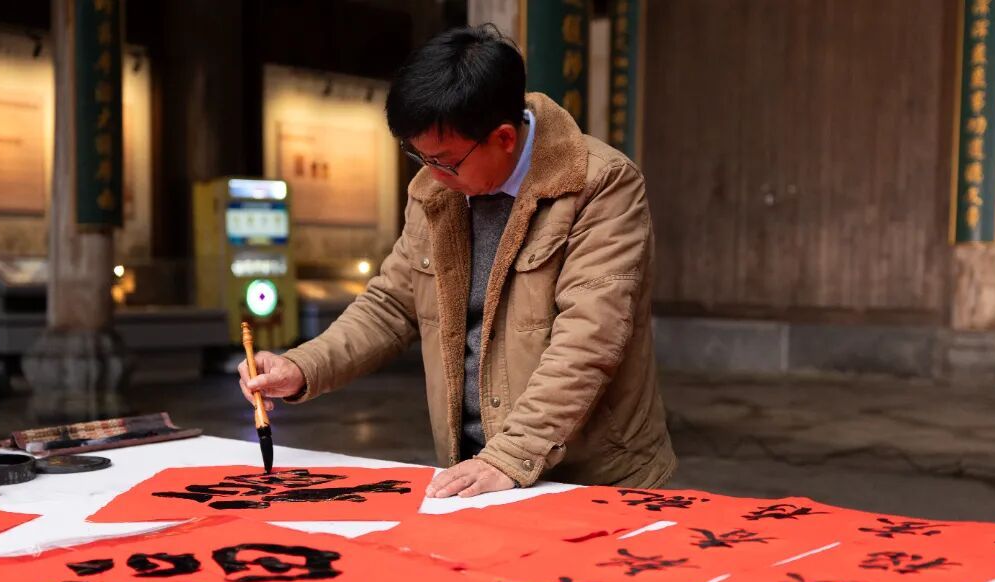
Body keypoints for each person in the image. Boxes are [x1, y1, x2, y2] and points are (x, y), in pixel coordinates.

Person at [239, 24, 675, 499]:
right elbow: (391, 306)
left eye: (445, 161)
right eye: (419, 157)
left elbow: (589, 339)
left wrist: (512, 454)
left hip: (591, 477)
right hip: (478, 473)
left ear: (503, 138)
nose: (433, 174)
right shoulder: (435, 191)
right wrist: (302, 367)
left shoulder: (600, 184)